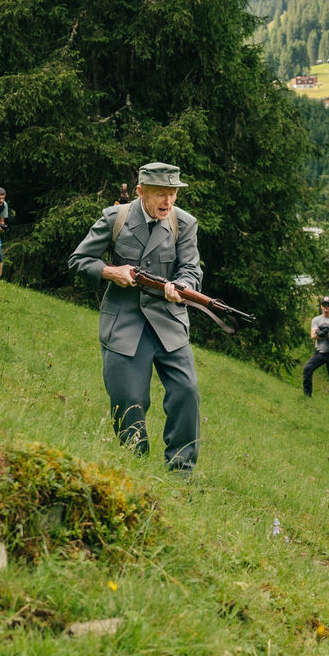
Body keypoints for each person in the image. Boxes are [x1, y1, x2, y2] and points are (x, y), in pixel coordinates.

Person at [65, 164, 203, 473]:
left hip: (169, 324)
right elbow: (79, 260)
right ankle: (134, 465)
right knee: (129, 399)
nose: (168, 202)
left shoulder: (184, 223)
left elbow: (191, 269)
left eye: (173, 194)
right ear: (141, 192)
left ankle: (181, 471)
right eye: (160, 194)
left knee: (186, 392)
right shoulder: (115, 218)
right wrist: (111, 272)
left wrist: (182, 287)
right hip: (124, 323)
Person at [303, 296, 329, 405]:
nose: (326, 307)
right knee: (307, 369)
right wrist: (328, 332)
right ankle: (307, 395)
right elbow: (313, 335)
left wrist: (321, 332)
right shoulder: (316, 320)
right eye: (324, 305)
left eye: (328, 305)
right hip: (319, 352)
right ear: (321, 306)